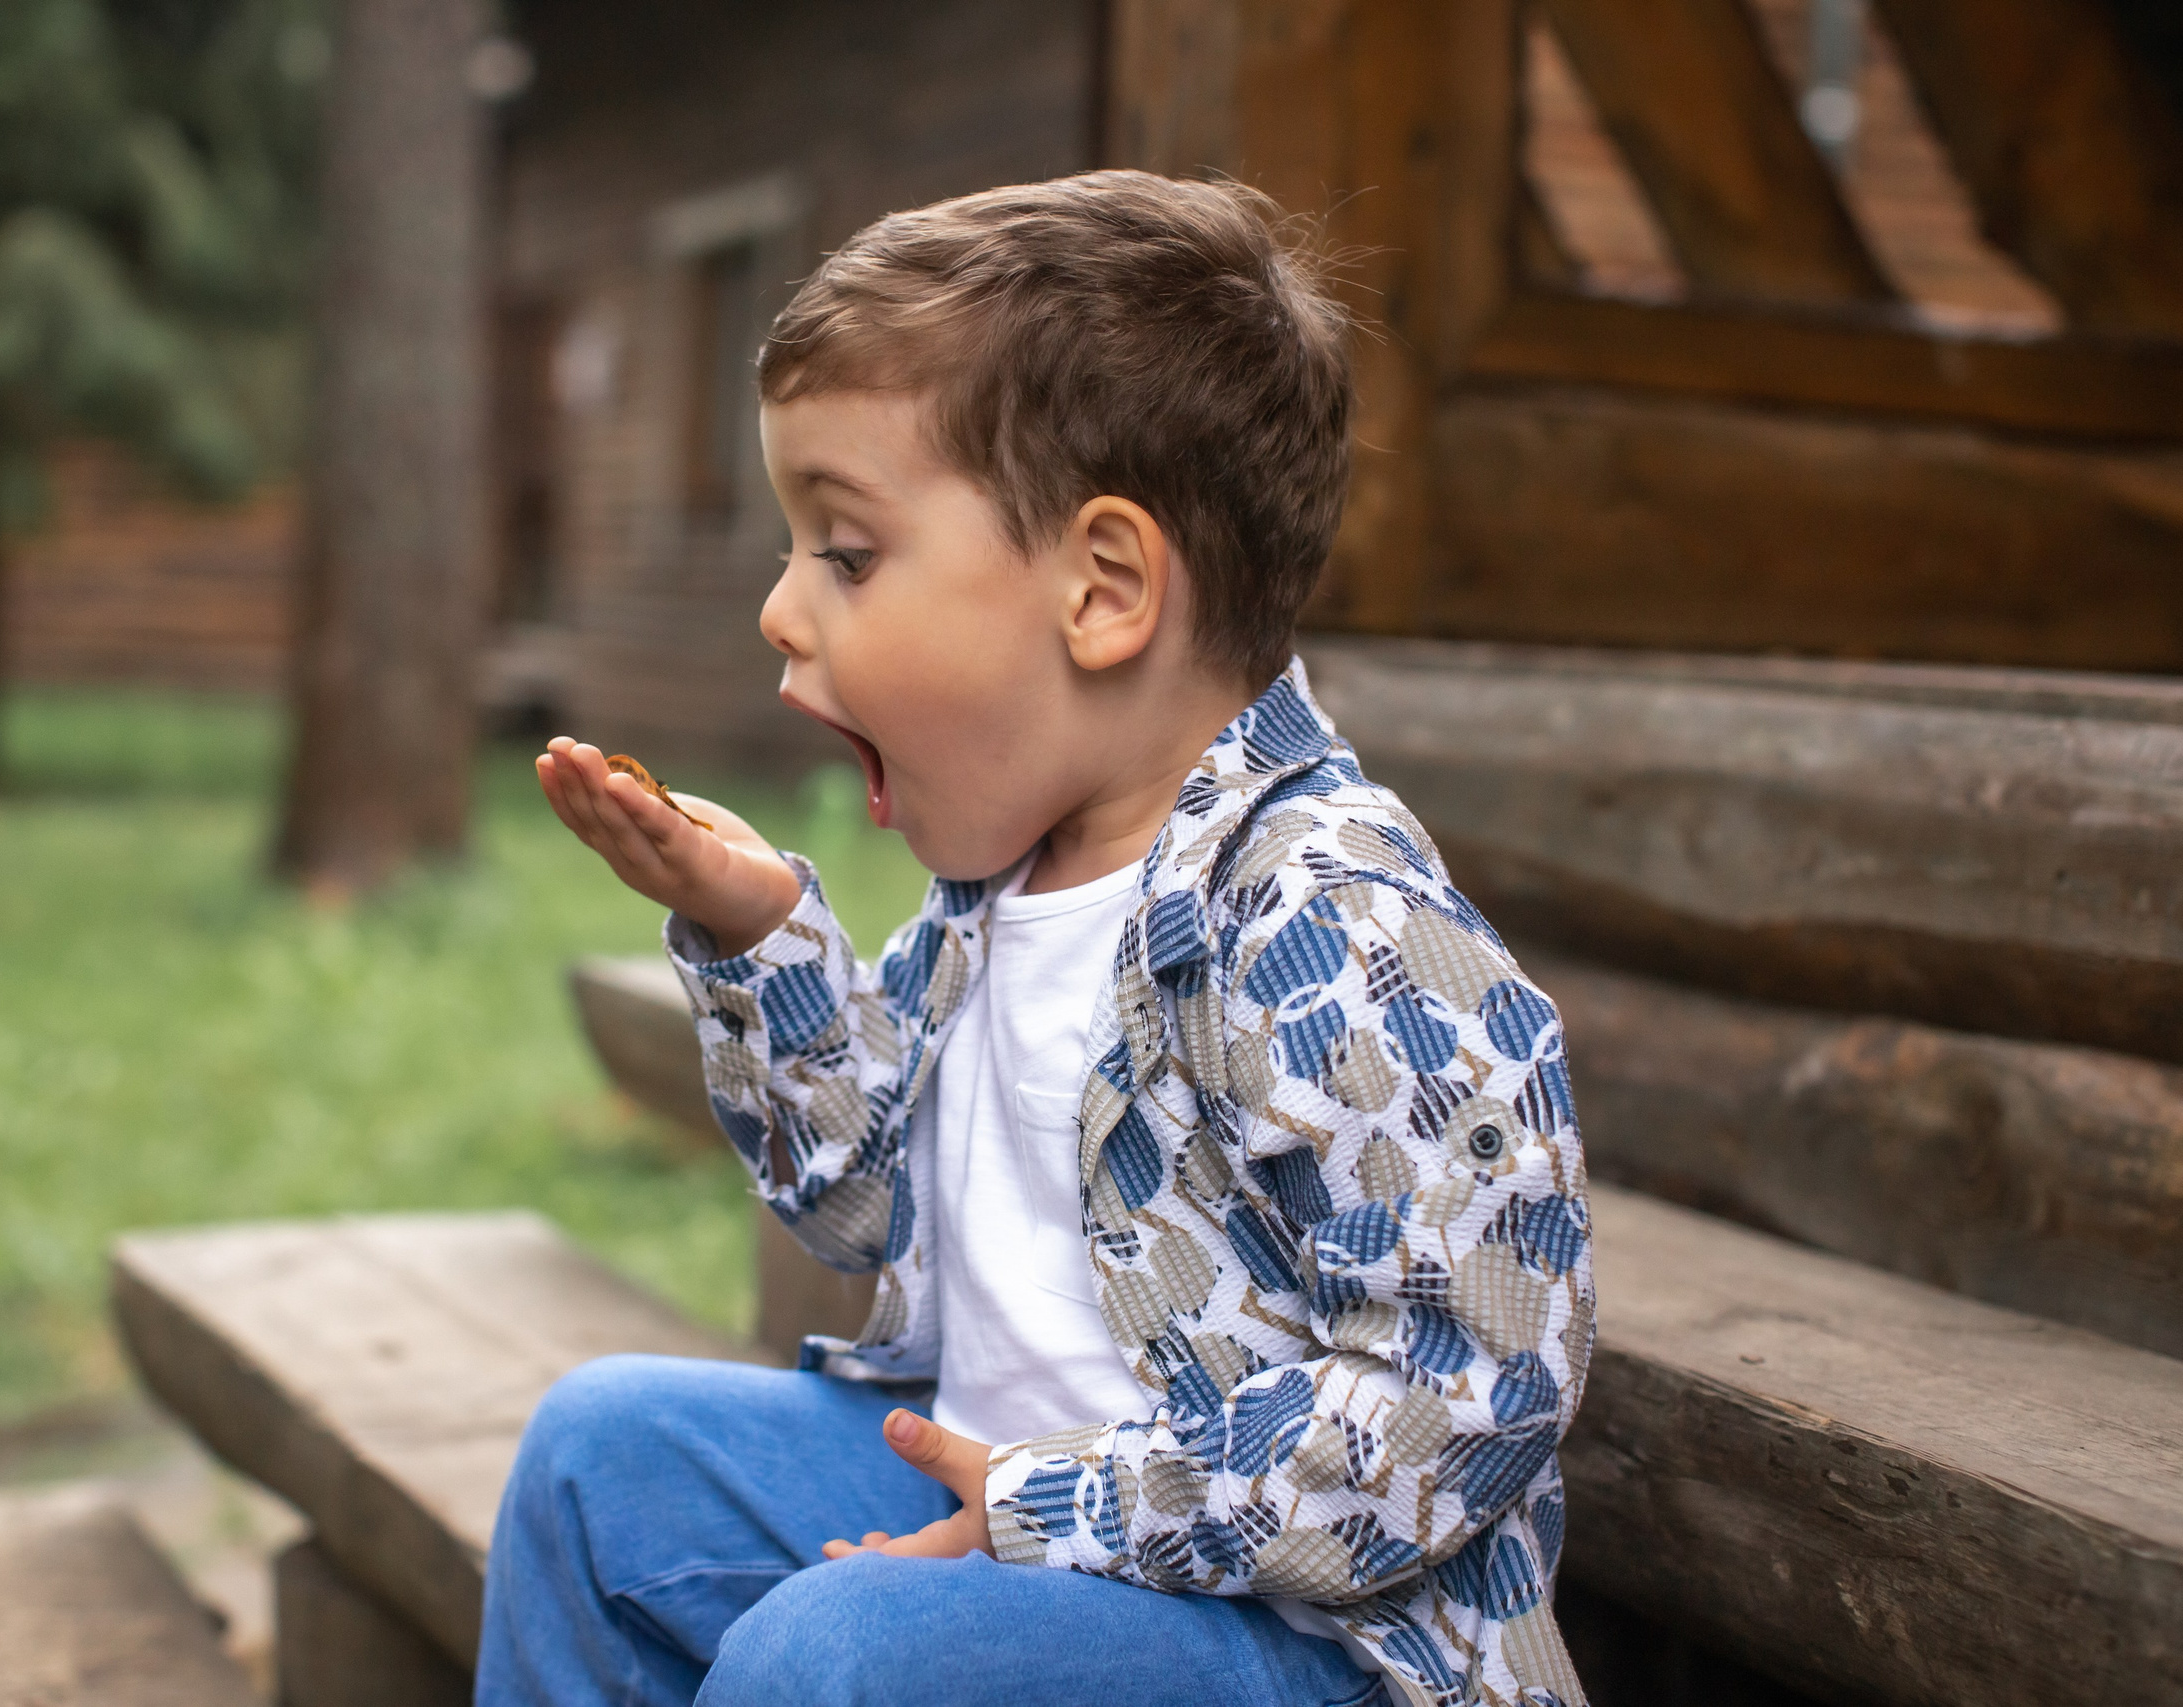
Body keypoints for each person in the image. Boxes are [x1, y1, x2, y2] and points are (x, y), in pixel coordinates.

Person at [490, 170, 1594, 1707]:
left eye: (847, 552)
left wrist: (1057, 1510)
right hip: (1012, 1528)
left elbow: (1469, 1392)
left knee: (839, 1659)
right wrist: (757, 941)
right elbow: (871, 1209)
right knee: (599, 1463)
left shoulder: (1333, 922)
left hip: (1297, 1642)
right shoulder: (1000, 884)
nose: (778, 611)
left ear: (1105, 588)